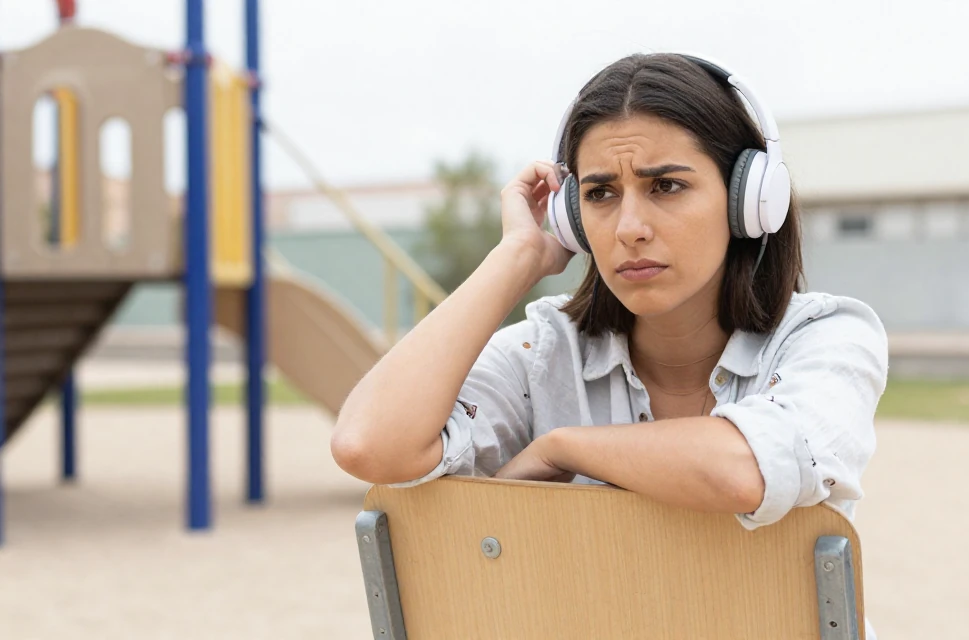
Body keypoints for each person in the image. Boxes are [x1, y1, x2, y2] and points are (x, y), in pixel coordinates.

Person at [332, 52, 888, 533]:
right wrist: (517, 258)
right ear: (571, 218)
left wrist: (562, 447)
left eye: (666, 186)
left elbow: (744, 471)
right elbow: (368, 444)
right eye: (600, 193)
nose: (628, 228)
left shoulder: (828, 337)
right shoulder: (542, 357)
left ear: (749, 199)